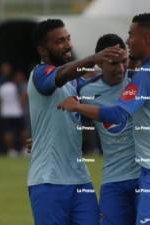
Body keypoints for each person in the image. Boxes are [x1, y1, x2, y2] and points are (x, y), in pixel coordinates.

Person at [57, 13, 150, 225]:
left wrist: (77, 106)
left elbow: (117, 115)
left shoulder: (143, 75)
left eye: (131, 35)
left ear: (144, 38)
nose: (128, 40)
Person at [27, 18, 125, 225]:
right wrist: (93, 58)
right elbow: (58, 77)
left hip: (81, 180)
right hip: (48, 181)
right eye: (59, 41)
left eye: (68, 39)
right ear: (43, 51)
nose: (67, 45)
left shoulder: (78, 83)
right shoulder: (39, 74)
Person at [77, 34, 140, 225]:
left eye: (123, 61)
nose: (120, 68)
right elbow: (66, 121)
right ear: (99, 64)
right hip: (113, 178)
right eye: (113, 63)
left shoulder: (139, 81)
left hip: (145, 176)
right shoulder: (86, 92)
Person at [0, 71, 25, 157]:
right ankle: (24, 149)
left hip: (5, 112)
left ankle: (10, 150)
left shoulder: (1, 88)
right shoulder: (15, 86)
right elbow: (22, 97)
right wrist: (22, 106)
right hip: (17, 112)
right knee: (22, 130)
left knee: (7, 132)